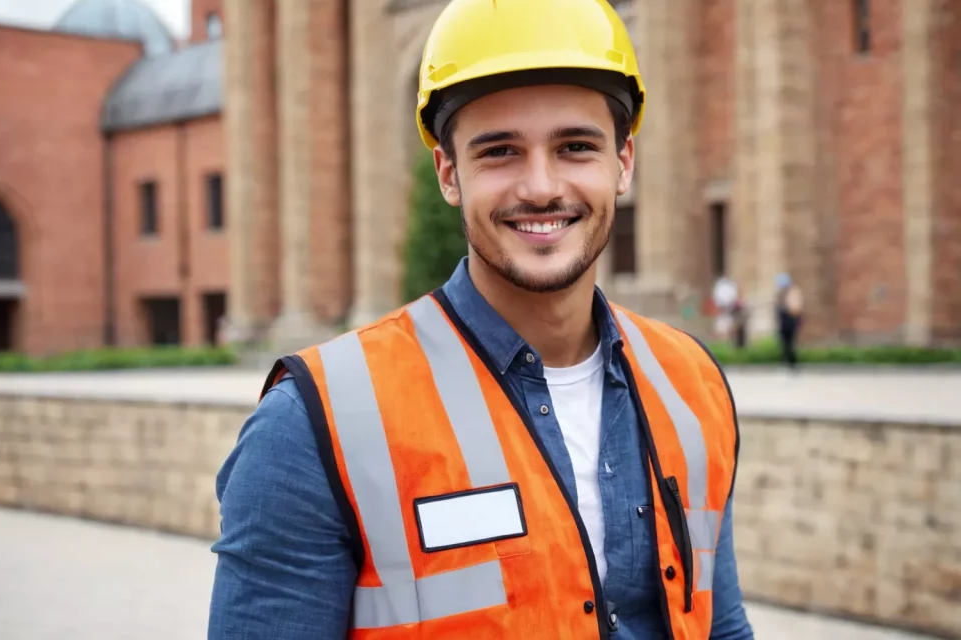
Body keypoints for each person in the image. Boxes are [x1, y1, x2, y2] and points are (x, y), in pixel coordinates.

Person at [208, 1, 753, 638]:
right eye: (499, 152)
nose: (542, 186)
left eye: (576, 146)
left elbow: (720, 623)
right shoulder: (314, 424)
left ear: (623, 162)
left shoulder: (692, 385)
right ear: (448, 172)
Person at [774, 273, 803, 369]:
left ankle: (792, 363)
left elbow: (795, 308)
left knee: (791, 343)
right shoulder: (780, 293)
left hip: (791, 320)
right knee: (784, 343)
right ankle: (787, 362)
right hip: (784, 321)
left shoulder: (793, 292)